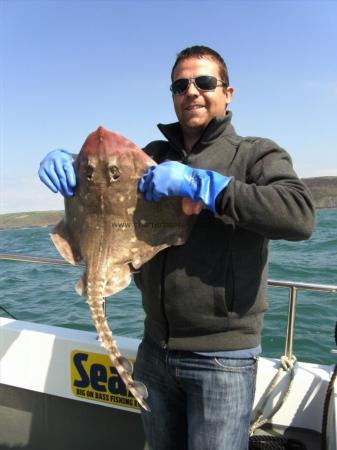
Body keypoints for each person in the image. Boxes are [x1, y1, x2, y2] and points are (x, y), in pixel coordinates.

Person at [38, 45, 315, 450]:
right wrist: (74, 164)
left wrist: (209, 186)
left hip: (224, 357)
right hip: (155, 348)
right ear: (172, 94)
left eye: (204, 82)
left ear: (228, 92)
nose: (192, 91)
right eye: (180, 84)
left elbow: (299, 216)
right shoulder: (151, 155)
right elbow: (103, 192)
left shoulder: (256, 153)